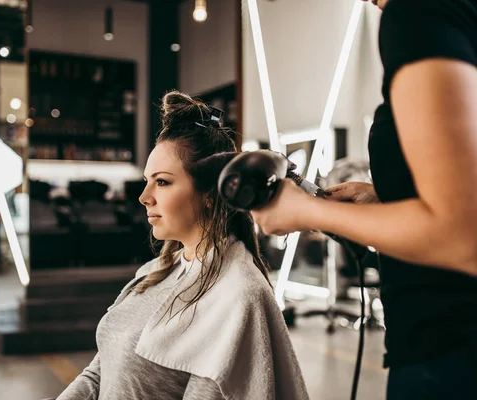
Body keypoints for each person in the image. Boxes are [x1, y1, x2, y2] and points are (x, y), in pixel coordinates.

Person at [251, 0, 477, 398]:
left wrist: (310, 210)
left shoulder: (417, 13)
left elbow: (461, 235)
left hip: (450, 344)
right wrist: (383, 200)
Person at [56, 91, 308, 400]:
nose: (144, 196)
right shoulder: (155, 272)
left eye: (162, 181)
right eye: (148, 180)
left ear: (210, 194)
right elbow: (100, 371)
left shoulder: (237, 295)